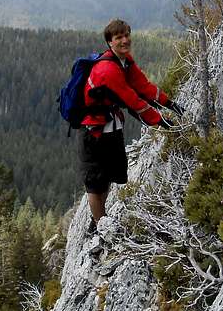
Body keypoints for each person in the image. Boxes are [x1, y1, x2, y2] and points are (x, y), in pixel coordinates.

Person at [79, 18, 184, 227]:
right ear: (110, 42)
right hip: (94, 131)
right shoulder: (108, 70)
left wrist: (169, 103)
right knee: (95, 183)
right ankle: (101, 227)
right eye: (119, 37)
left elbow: (143, 86)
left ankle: (100, 219)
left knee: (108, 176)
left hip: (112, 126)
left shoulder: (125, 61)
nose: (125, 40)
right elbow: (132, 100)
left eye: (127, 35)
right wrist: (161, 121)